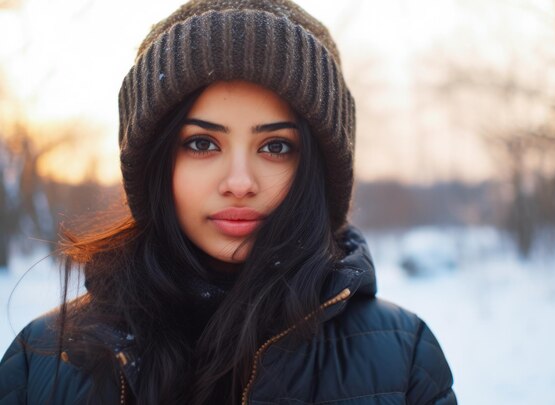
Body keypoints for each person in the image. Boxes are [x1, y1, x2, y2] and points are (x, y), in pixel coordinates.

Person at [0, 0, 456, 403]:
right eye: (202, 144)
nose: (240, 183)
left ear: (319, 172)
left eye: (276, 146)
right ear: (155, 166)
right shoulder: (37, 360)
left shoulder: (403, 358)